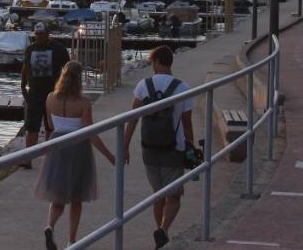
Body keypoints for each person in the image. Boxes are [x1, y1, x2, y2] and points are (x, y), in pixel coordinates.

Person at [34, 61, 115, 250]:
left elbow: (51, 126)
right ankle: (71, 240)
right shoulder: (83, 103)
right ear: (80, 79)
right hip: (78, 149)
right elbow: (90, 133)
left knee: (58, 197)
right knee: (77, 199)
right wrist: (109, 155)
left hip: (57, 146)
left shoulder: (50, 98)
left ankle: (49, 226)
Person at [122, 45, 194, 250]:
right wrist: (191, 148)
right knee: (175, 195)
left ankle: (160, 233)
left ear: (156, 62)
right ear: (170, 62)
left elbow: (132, 119)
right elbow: (187, 123)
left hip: (149, 148)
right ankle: (163, 230)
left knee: (158, 193)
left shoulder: (143, 86)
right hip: (174, 148)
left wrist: (125, 146)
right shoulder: (183, 88)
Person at [20, 21, 69, 164]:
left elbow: (67, 69)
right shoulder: (30, 49)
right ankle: (28, 158)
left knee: (50, 126)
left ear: (48, 34)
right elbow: (25, 67)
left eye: (41, 34)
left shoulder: (58, 48)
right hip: (35, 93)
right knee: (32, 126)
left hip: (53, 93)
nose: (39, 36)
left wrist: (66, 89)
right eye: (37, 34)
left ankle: (50, 158)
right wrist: (23, 86)